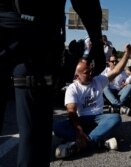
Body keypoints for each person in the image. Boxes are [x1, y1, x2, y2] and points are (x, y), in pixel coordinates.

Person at [0, 0, 105, 166]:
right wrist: (97, 43)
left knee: (34, 136)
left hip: (23, 32)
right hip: (37, 38)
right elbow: (86, 4)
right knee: (34, 138)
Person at [53, 44, 131, 159]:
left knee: (115, 118)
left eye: (91, 71)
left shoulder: (98, 80)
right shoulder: (72, 88)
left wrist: (127, 54)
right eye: (86, 73)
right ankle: (99, 141)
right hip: (81, 120)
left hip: (98, 119)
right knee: (57, 127)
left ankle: (82, 143)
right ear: (77, 76)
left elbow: (116, 71)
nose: (91, 74)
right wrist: (79, 130)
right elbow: (71, 111)